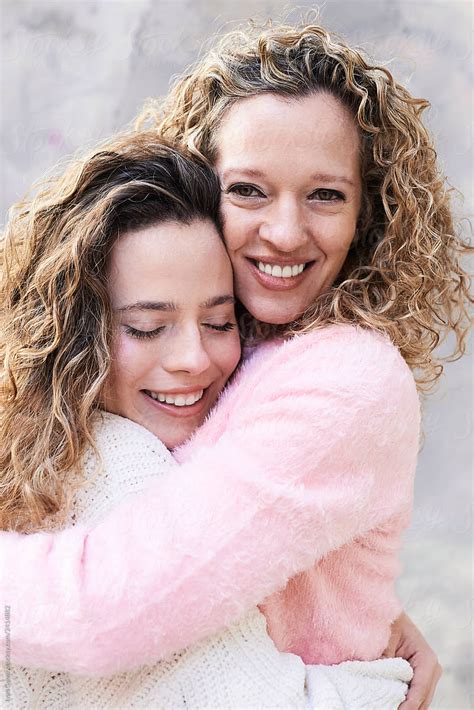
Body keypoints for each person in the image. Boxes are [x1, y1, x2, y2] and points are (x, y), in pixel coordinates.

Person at [2, 17, 467, 706]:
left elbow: (109, 607)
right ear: (201, 177)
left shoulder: (348, 379)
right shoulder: (229, 339)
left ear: (372, 211)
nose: (284, 231)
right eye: (249, 190)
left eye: (326, 195)